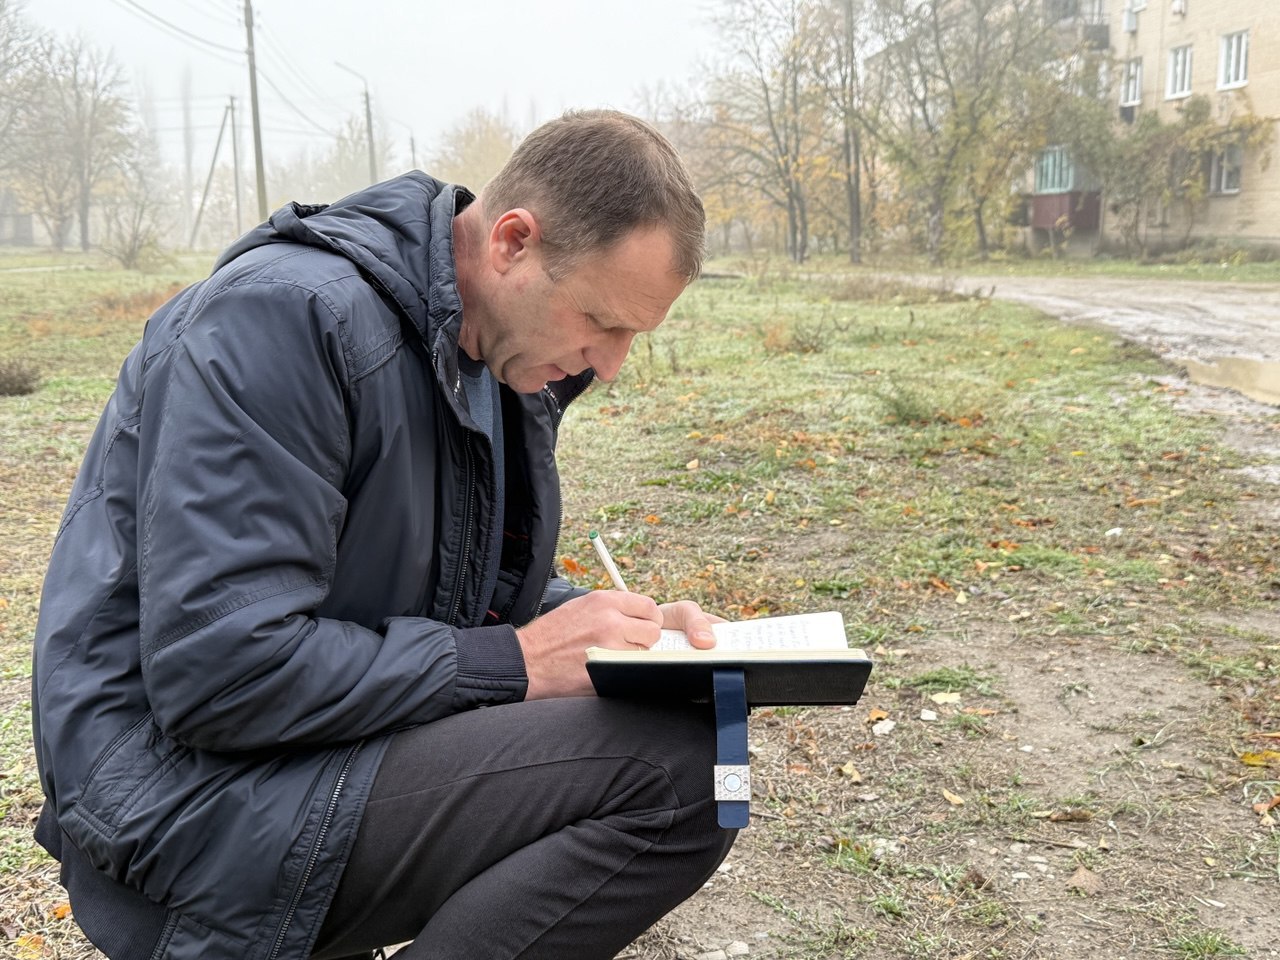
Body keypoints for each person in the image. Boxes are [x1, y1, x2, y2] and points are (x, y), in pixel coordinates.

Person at [31, 109, 736, 960]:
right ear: (512, 242)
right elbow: (220, 673)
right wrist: (519, 662)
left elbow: (417, 581)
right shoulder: (284, 321)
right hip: (184, 796)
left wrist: (611, 635)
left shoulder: (485, 357)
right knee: (675, 777)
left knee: (710, 745)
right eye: (604, 321)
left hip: (302, 750)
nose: (611, 364)